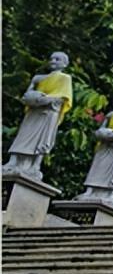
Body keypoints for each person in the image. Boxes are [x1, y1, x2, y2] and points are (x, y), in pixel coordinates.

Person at [4, 51, 74, 181]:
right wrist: (33, 98)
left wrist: (45, 99)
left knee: (42, 140)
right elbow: (27, 94)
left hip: (48, 112)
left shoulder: (65, 78)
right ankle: (13, 161)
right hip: (33, 111)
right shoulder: (38, 78)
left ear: (65, 64)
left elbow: (63, 97)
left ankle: (35, 166)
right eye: (51, 58)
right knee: (23, 136)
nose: (53, 61)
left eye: (57, 59)